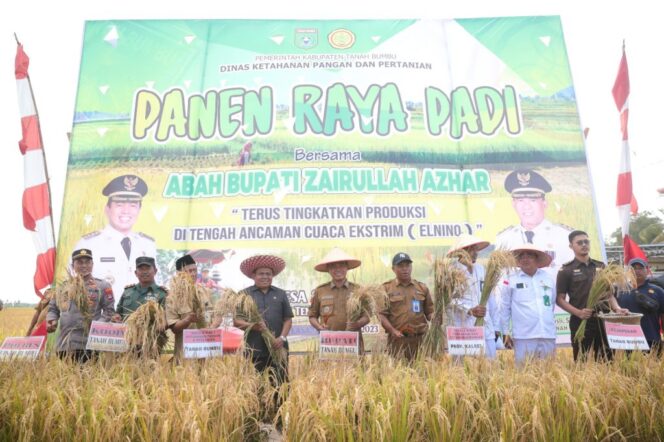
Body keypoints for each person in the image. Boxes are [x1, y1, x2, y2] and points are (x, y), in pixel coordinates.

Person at [75, 174, 157, 303]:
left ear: (139, 210)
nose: (126, 211)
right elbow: (74, 286)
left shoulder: (148, 245)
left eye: (133, 205)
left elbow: (155, 287)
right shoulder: (88, 244)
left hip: (139, 319)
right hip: (102, 319)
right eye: (119, 204)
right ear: (107, 209)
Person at [556, 230, 628, 361]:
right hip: (580, 321)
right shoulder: (566, 270)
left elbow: (609, 293)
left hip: (603, 319)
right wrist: (578, 313)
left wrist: (617, 308)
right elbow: (560, 299)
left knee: (607, 360)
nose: (584, 244)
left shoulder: (601, 266)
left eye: (586, 241)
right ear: (571, 246)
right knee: (581, 361)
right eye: (579, 242)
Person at [234, 254, 293, 403]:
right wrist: (252, 326)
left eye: (269, 274)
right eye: (261, 273)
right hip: (255, 349)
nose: (265, 277)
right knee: (255, 385)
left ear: (273, 276)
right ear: (253, 275)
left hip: (278, 348)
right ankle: (258, 417)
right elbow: (236, 321)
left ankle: (280, 415)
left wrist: (282, 338)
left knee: (281, 384)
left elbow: (288, 320)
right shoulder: (244, 295)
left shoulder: (280, 294)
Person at [495, 169, 573, 271]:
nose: (526, 206)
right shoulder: (504, 239)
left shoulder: (563, 236)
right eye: (520, 200)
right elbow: (501, 276)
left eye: (533, 200)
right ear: (513, 204)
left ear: (544, 203)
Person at [46, 249, 116, 362]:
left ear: (92, 265)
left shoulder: (102, 286)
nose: (84, 265)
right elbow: (53, 308)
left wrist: (97, 327)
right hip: (66, 343)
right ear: (73, 265)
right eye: (79, 262)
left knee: (89, 377)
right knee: (66, 378)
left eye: (87, 262)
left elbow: (109, 311)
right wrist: (51, 319)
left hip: (90, 343)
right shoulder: (63, 287)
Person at [499, 244, 557, 363]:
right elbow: (504, 307)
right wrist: (505, 332)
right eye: (522, 256)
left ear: (537, 259)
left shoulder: (547, 278)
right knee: (524, 375)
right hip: (523, 336)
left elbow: (550, 304)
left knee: (549, 373)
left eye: (529, 255)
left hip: (547, 334)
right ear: (518, 261)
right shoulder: (510, 279)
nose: (525, 259)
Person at [446, 234, 499, 358]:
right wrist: (469, 309)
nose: (476, 253)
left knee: (490, 367)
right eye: (472, 249)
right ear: (461, 252)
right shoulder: (451, 272)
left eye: (476, 249)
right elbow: (448, 300)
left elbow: (491, 299)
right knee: (465, 369)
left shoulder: (481, 270)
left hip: (486, 326)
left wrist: (496, 326)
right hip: (464, 328)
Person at [308, 247, 370, 354]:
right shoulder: (320, 290)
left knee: (356, 370)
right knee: (331, 370)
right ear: (328, 269)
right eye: (333, 266)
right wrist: (319, 327)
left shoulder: (358, 290)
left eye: (341, 265)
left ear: (347, 268)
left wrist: (358, 324)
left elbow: (367, 316)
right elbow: (312, 316)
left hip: (353, 342)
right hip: (329, 342)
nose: (338, 269)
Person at [378, 252, 433, 361]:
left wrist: (435, 318)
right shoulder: (386, 289)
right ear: (393, 269)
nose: (405, 269)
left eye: (407, 266)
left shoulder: (422, 288)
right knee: (398, 375)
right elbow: (381, 315)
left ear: (411, 267)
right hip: (398, 340)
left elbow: (430, 312)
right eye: (401, 266)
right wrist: (392, 331)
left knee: (422, 373)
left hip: (420, 340)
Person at [166, 254, 210, 362]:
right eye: (189, 271)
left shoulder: (204, 291)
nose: (194, 273)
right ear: (179, 274)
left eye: (195, 270)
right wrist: (187, 320)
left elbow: (211, 317)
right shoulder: (172, 297)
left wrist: (214, 323)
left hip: (206, 353)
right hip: (184, 355)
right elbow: (174, 328)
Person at [616, 258, 664, 354]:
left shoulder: (658, 291)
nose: (637, 271)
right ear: (628, 272)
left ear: (647, 270)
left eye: (640, 268)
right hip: (626, 342)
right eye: (633, 269)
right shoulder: (619, 291)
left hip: (651, 339)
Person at [113, 257, 167, 321]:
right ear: (136, 273)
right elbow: (118, 313)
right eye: (141, 269)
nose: (144, 272)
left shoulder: (162, 294)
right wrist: (116, 317)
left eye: (148, 269)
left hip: (149, 331)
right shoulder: (127, 292)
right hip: (126, 330)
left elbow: (166, 321)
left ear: (155, 271)